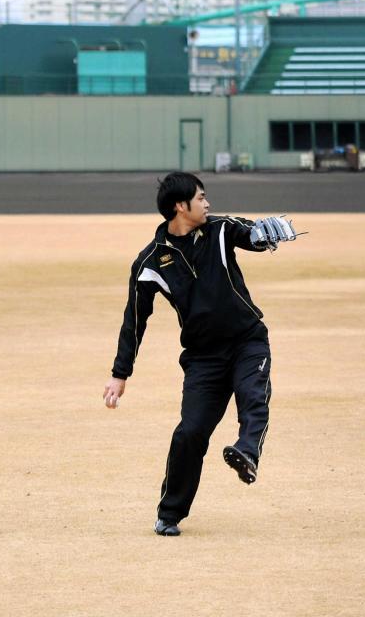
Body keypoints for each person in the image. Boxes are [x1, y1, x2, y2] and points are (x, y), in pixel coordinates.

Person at [102, 172, 299, 536]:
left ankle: (247, 453)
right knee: (189, 433)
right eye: (201, 197)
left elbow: (247, 233)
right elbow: (134, 320)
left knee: (253, 397)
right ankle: (169, 513)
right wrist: (120, 373)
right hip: (203, 358)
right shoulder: (149, 263)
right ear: (180, 206)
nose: (208, 203)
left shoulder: (221, 230)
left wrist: (261, 235)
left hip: (247, 341)